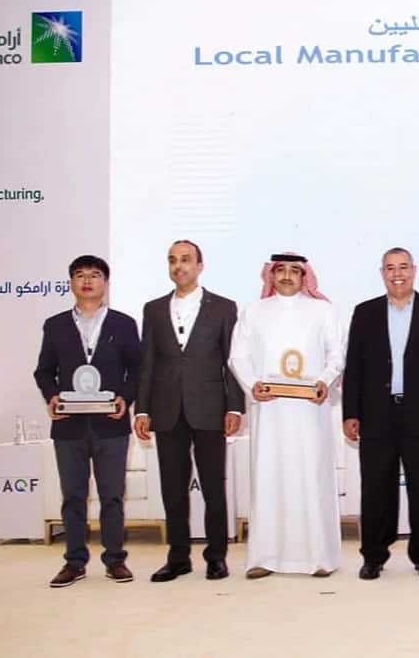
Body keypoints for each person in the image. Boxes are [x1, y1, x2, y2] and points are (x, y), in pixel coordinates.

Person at [342, 247, 419, 580]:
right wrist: (351, 413)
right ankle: (374, 555)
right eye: (391, 268)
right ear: (382, 273)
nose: (398, 274)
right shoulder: (365, 312)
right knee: (376, 487)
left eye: (404, 267)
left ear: (414, 270)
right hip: (377, 413)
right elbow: (354, 368)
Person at [228, 253, 344, 578]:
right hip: (270, 412)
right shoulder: (254, 312)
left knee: (311, 476)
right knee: (269, 478)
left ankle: (319, 558)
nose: (288, 276)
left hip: (310, 412)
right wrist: (253, 385)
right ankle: (265, 558)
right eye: (281, 270)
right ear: (271, 275)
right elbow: (239, 356)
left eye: (295, 271)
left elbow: (337, 354)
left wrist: (324, 380)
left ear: (304, 275)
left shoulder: (323, 310)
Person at [135, 240, 244, 582]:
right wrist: (142, 410)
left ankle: (216, 557)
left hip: (211, 409)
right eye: (172, 260)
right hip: (167, 411)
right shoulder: (153, 309)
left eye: (185, 260)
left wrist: (236, 408)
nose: (178, 266)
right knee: (172, 488)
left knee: (213, 487)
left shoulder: (224, 307)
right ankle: (178, 557)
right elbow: (147, 364)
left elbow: (233, 361)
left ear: (200, 265)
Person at [33, 255, 140, 588]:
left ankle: (115, 560)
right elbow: (43, 371)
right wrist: (52, 396)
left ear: (106, 283)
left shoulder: (123, 323)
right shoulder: (56, 325)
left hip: (111, 425)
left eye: (95, 275)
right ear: (71, 283)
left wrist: (125, 397)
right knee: (73, 497)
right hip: (70, 426)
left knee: (112, 496)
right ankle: (75, 562)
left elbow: (137, 369)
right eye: (80, 276)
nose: (87, 281)